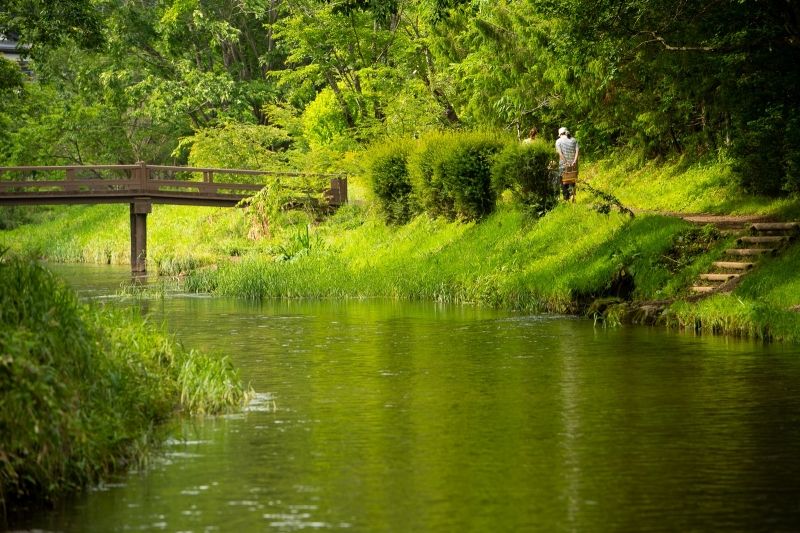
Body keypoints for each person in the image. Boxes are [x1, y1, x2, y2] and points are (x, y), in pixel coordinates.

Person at [555, 127, 579, 200]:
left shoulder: (558, 141)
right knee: (573, 179)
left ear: (560, 134)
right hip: (574, 164)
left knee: (564, 182)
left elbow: (560, 153)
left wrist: (566, 162)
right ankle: (572, 195)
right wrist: (574, 161)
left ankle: (566, 198)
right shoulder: (574, 140)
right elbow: (577, 151)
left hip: (563, 165)